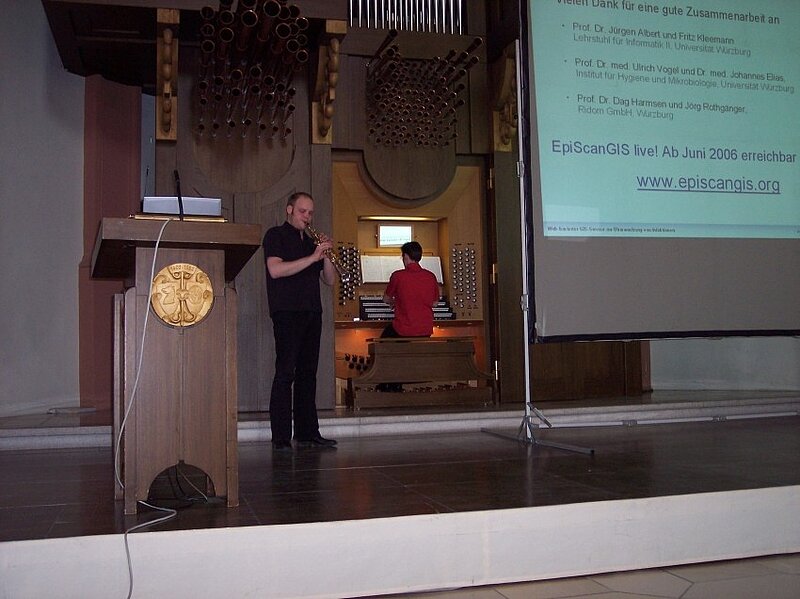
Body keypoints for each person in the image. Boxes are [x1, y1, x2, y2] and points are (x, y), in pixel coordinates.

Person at [263, 192, 338, 452]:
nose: (307, 217)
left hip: (312, 312)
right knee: (285, 373)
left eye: (310, 213)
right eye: (302, 211)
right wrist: (312, 257)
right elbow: (275, 270)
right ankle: (281, 437)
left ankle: (307, 433)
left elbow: (329, 280)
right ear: (289, 210)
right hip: (287, 312)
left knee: (308, 374)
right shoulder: (275, 235)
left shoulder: (311, 242)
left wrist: (326, 255)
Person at [379, 241, 440, 391]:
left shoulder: (398, 276)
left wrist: (395, 302)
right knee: (395, 343)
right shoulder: (431, 276)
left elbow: (386, 299)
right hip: (425, 329)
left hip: (404, 329)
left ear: (405, 257)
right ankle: (397, 381)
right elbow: (434, 303)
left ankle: (389, 382)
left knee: (382, 342)